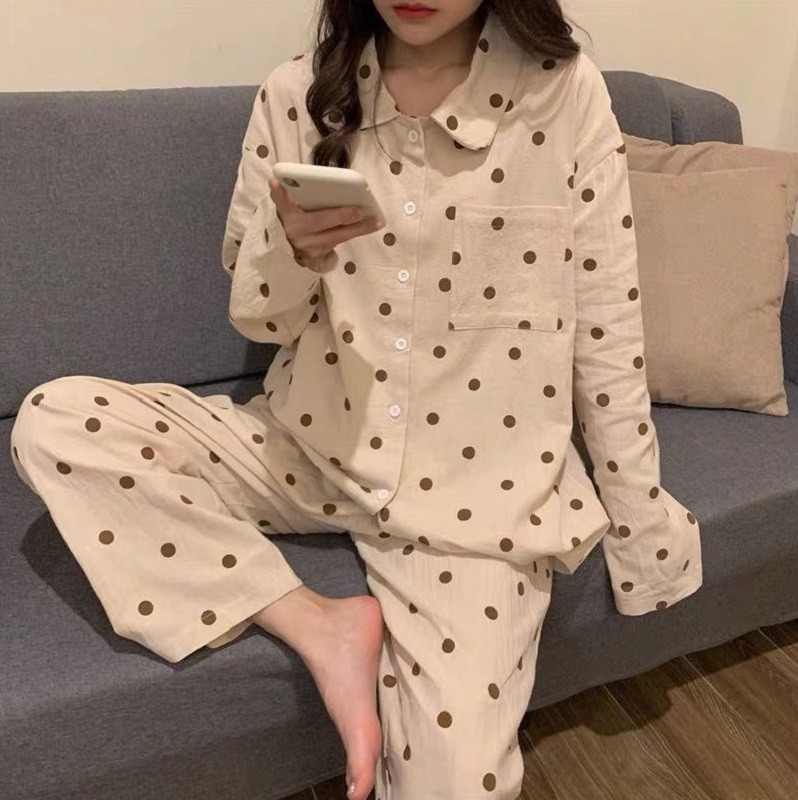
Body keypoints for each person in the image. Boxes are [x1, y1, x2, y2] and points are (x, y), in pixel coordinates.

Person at [10, 1, 704, 798]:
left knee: (462, 784)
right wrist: (290, 249)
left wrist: (640, 528)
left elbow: (608, 327)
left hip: (476, 500)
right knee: (58, 421)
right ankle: (324, 627)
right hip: (309, 447)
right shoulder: (296, 93)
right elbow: (262, 320)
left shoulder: (564, 93)